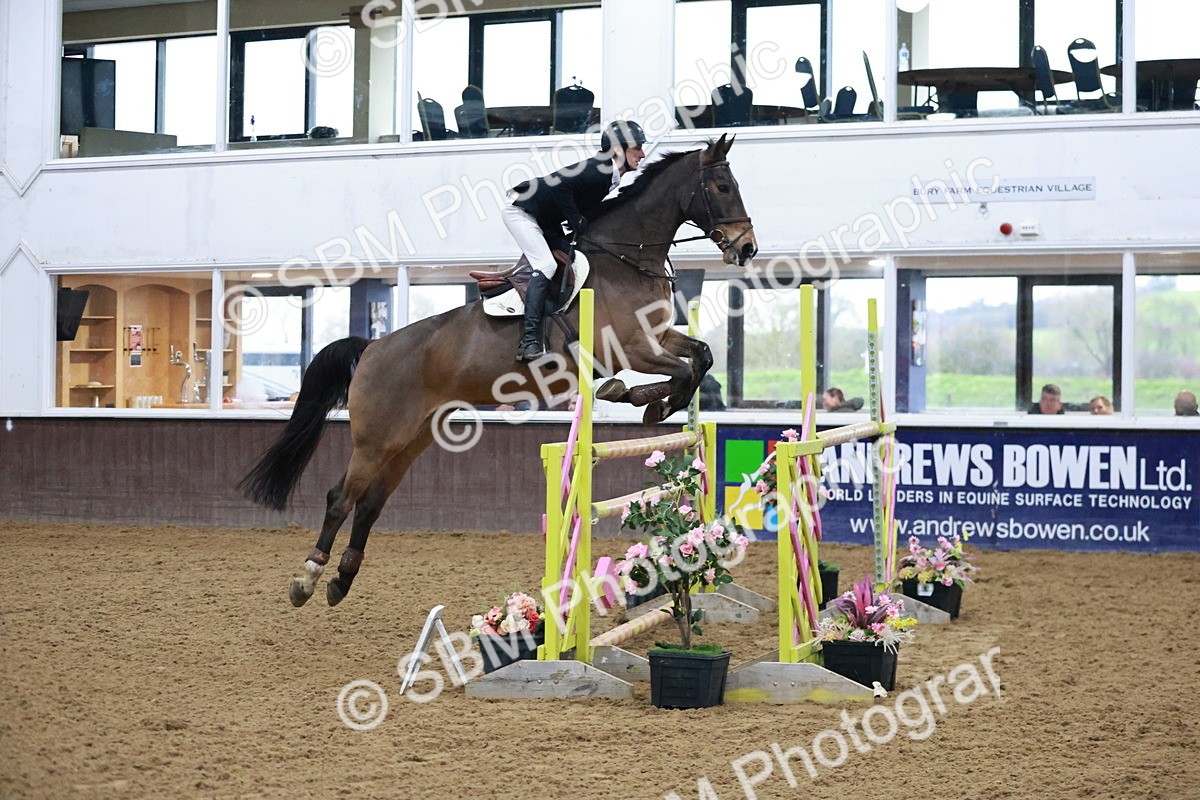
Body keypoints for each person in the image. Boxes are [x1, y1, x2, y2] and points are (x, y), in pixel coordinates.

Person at [502, 120, 648, 361]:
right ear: (618, 149)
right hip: (522, 213)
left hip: (544, 220)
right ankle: (529, 342)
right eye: (637, 148)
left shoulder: (610, 174)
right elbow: (560, 186)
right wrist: (575, 218)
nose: (642, 154)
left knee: (576, 261)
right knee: (546, 266)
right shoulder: (600, 168)